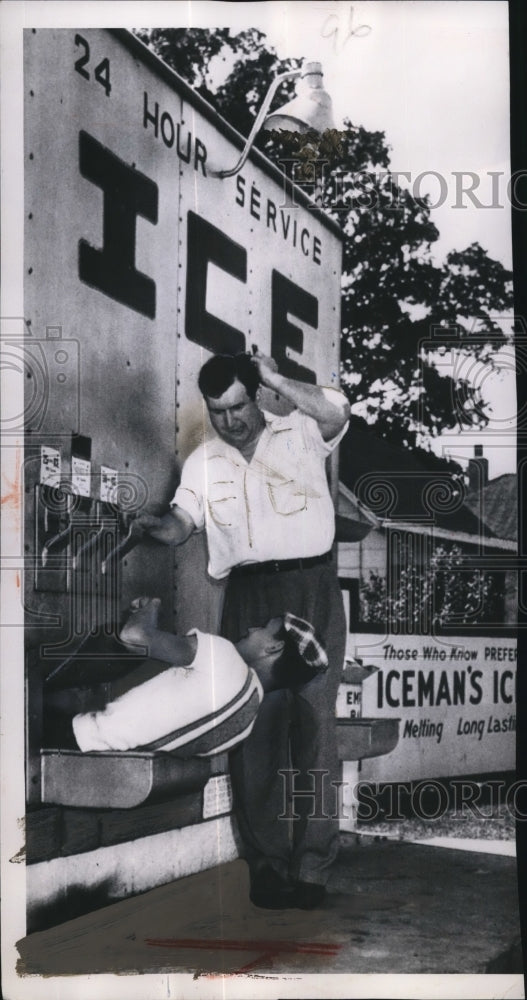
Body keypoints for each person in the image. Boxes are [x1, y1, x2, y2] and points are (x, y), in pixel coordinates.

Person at [137, 351, 350, 909]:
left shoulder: (302, 432)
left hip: (312, 586)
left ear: (255, 395)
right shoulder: (204, 462)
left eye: (238, 406)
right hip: (249, 597)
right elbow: (182, 525)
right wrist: (153, 524)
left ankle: (313, 870)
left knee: (314, 737)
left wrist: (276, 377)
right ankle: (269, 868)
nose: (230, 420)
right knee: (253, 735)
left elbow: (337, 412)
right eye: (218, 410)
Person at [64, 597, 328, 766]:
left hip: (73, 737)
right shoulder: (244, 726)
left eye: (262, 627)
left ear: (273, 647)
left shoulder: (224, 657)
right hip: (104, 767)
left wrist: (151, 606)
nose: (251, 629)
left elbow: (134, 636)